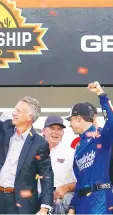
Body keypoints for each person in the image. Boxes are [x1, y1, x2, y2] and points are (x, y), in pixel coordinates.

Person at [0, 96, 54, 214]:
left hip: (21, 204)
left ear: (30, 117)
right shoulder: (6, 128)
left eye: (18, 111)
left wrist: (44, 208)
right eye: (15, 109)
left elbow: (46, 176)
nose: (14, 113)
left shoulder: (40, 143)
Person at [65, 81, 113, 214]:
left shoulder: (101, 136)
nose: (70, 124)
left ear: (79, 118)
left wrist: (101, 94)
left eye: (71, 120)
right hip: (83, 204)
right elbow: (80, 181)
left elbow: (112, 120)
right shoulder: (78, 148)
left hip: (101, 201)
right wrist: (72, 207)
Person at [42, 115, 76, 212]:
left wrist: (65, 188)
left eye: (59, 129)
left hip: (61, 204)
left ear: (63, 132)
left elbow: (82, 181)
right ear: (44, 131)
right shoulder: (34, 151)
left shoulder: (71, 153)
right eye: (52, 128)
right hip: (36, 202)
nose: (56, 132)